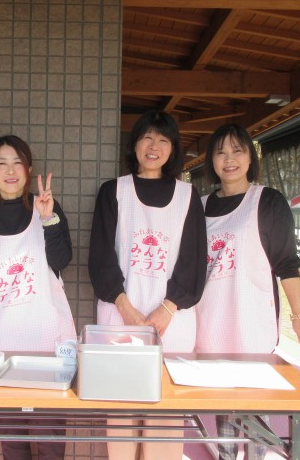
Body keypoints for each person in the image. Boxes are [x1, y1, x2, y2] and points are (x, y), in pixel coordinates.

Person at [88, 110, 208, 460]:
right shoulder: (113, 191)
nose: (154, 146)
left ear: (173, 149)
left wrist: (168, 308)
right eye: (147, 137)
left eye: (163, 140)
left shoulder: (188, 196)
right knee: (121, 412)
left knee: (165, 415)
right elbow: (100, 256)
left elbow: (194, 259)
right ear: (135, 144)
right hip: (119, 316)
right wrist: (125, 307)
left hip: (173, 320)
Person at [193, 123, 300, 460]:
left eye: (237, 151)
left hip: (251, 321)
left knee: (255, 405)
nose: (229, 159)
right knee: (223, 405)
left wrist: (299, 319)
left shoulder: (267, 201)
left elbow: (286, 264)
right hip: (210, 322)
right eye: (221, 152)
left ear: (250, 157)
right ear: (211, 161)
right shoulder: (197, 206)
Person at [0, 134, 76, 460]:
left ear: (28, 169)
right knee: (12, 437)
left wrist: (47, 219)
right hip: (3, 338)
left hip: (48, 337)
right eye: (2, 163)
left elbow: (61, 261)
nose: (10, 171)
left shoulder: (48, 208)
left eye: (17, 163)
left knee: (50, 436)